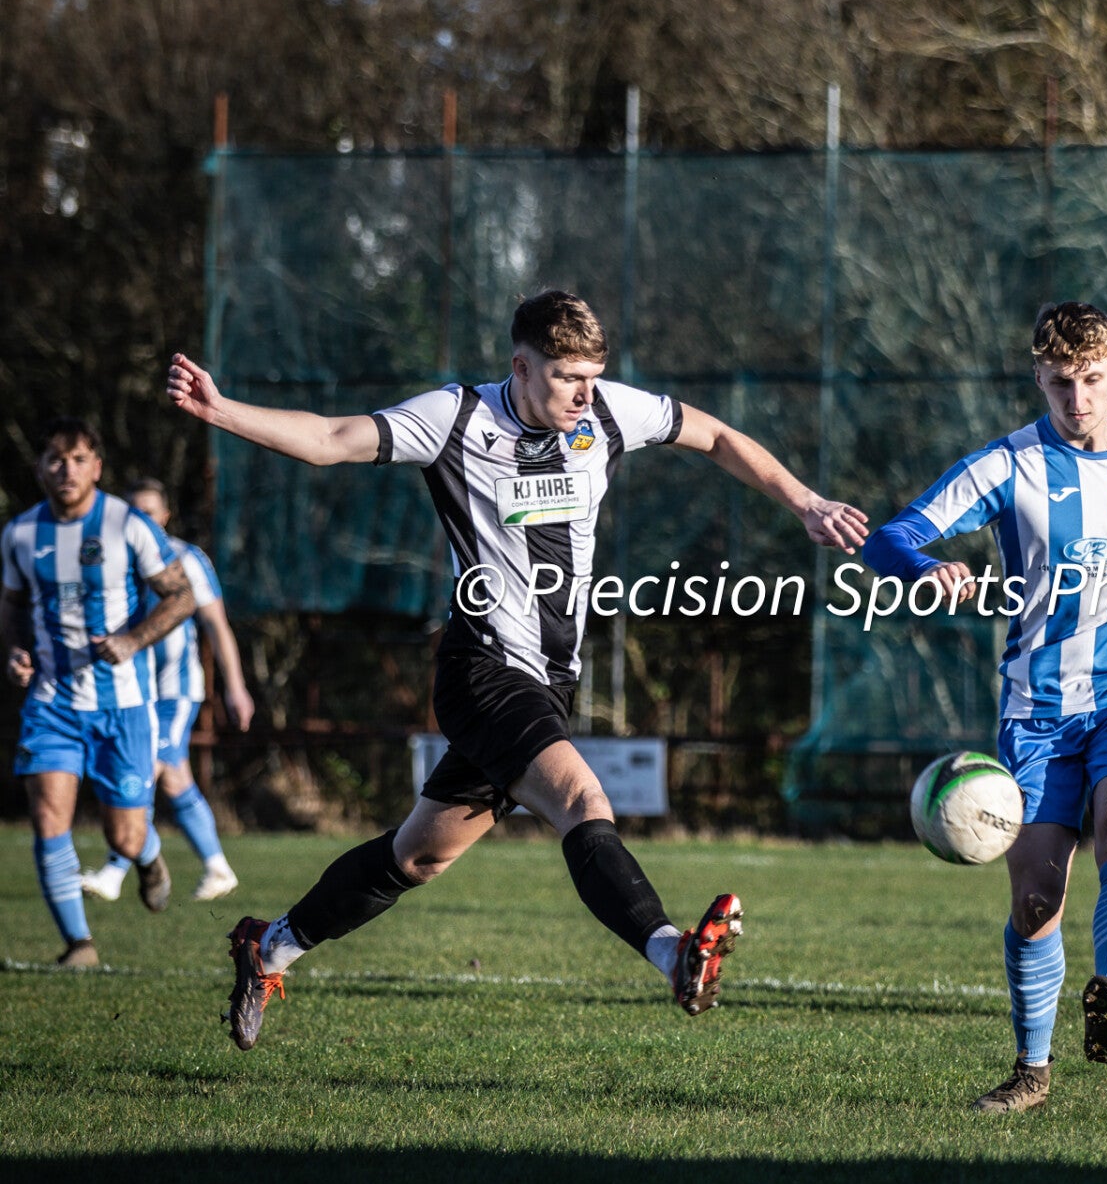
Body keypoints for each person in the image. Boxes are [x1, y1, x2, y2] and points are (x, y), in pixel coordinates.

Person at [166, 289, 867, 1050]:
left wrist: (805, 502)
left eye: (592, 376)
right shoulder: (457, 418)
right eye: (567, 376)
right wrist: (223, 410)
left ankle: (267, 947)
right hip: (483, 670)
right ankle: (673, 952)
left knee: (419, 856)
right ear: (522, 367)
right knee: (582, 798)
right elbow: (333, 437)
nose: (584, 393)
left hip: (550, 682)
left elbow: (717, 435)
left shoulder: (606, 412)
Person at [865, 301, 1107, 1112]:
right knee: (1037, 900)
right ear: (1038, 377)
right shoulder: (1007, 465)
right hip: (1038, 708)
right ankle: (1032, 1074)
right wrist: (926, 570)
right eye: (1060, 382)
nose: (1078, 399)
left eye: (1091, 380)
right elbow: (889, 537)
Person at [2, 419, 195, 966]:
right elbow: (11, 605)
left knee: (125, 837)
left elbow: (181, 597)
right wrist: (14, 652)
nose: (67, 470)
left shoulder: (128, 524)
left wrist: (132, 640)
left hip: (123, 706)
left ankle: (147, 854)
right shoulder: (20, 534)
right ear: (40, 467)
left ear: (97, 467)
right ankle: (79, 944)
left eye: (79, 459)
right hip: (52, 702)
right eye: (56, 460)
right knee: (48, 818)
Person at [79, 478, 253, 903]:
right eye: (133, 512)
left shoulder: (186, 558)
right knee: (175, 779)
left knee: (146, 768)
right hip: (131, 692)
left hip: (175, 690)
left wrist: (236, 686)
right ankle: (218, 868)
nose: (142, 520)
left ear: (166, 516)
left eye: (150, 512)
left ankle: (115, 870)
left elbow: (217, 625)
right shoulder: (109, 556)